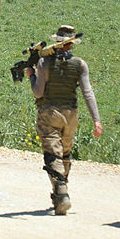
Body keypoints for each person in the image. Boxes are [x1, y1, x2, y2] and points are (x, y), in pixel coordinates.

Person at [24, 25, 103, 215]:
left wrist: (31, 76)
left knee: (53, 154)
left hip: (50, 113)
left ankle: (61, 193)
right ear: (72, 44)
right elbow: (88, 93)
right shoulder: (80, 64)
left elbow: (38, 93)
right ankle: (61, 190)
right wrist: (96, 120)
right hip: (71, 115)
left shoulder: (44, 63)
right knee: (65, 153)